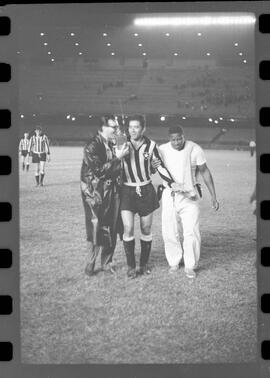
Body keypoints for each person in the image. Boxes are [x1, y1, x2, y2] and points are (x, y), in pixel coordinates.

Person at [157, 125, 219, 279]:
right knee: (169, 230)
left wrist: (214, 196)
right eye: (173, 139)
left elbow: (204, 171)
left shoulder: (194, 149)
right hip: (169, 195)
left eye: (179, 138)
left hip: (190, 195)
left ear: (183, 136)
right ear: (169, 138)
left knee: (191, 231)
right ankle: (174, 261)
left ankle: (190, 265)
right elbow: (155, 169)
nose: (177, 142)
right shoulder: (162, 150)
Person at [120, 115, 174, 278]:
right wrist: (118, 156)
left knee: (145, 228)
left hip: (145, 190)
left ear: (143, 128)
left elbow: (159, 167)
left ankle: (143, 264)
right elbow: (113, 164)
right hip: (127, 191)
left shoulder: (151, 146)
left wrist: (171, 182)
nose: (133, 130)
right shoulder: (122, 143)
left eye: (136, 127)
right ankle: (131, 266)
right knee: (128, 228)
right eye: (130, 127)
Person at [81, 115, 129, 277]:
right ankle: (91, 262)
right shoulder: (92, 146)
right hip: (95, 193)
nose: (116, 130)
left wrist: (122, 153)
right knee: (96, 227)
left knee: (113, 226)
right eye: (113, 127)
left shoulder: (113, 143)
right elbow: (99, 171)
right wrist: (118, 158)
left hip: (113, 191)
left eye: (116, 127)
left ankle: (107, 262)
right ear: (102, 128)